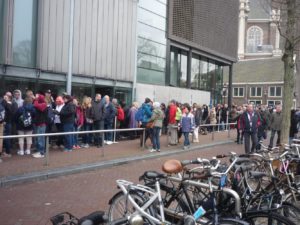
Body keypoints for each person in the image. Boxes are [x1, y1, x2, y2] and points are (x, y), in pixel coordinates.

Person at [32, 92, 48, 158]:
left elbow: (35, 105)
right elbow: (34, 105)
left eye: (38, 97)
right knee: (39, 139)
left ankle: (41, 153)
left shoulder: (44, 104)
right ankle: (39, 151)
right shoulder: (41, 104)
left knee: (41, 139)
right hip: (38, 123)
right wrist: (35, 100)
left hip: (42, 124)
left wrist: (36, 99)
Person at [2, 92, 18, 157]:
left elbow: (12, 113)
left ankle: (8, 152)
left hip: (8, 122)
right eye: (5, 95)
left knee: (6, 137)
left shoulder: (12, 103)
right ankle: (6, 151)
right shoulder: (4, 103)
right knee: (5, 137)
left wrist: (6, 103)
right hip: (5, 122)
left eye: (8, 96)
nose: (6, 97)